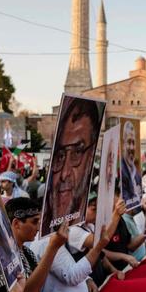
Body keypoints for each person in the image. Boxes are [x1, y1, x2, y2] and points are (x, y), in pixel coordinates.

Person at [43, 98, 101, 232]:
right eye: (60, 155)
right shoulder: (41, 233)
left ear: (91, 157)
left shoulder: (88, 226)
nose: (64, 174)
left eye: (77, 153)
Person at [120, 121, 143, 208]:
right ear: (123, 144)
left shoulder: (137, 174)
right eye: (129, 142)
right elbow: (126, 203)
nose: (132, 147)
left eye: (134, 143)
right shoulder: (121, 172)